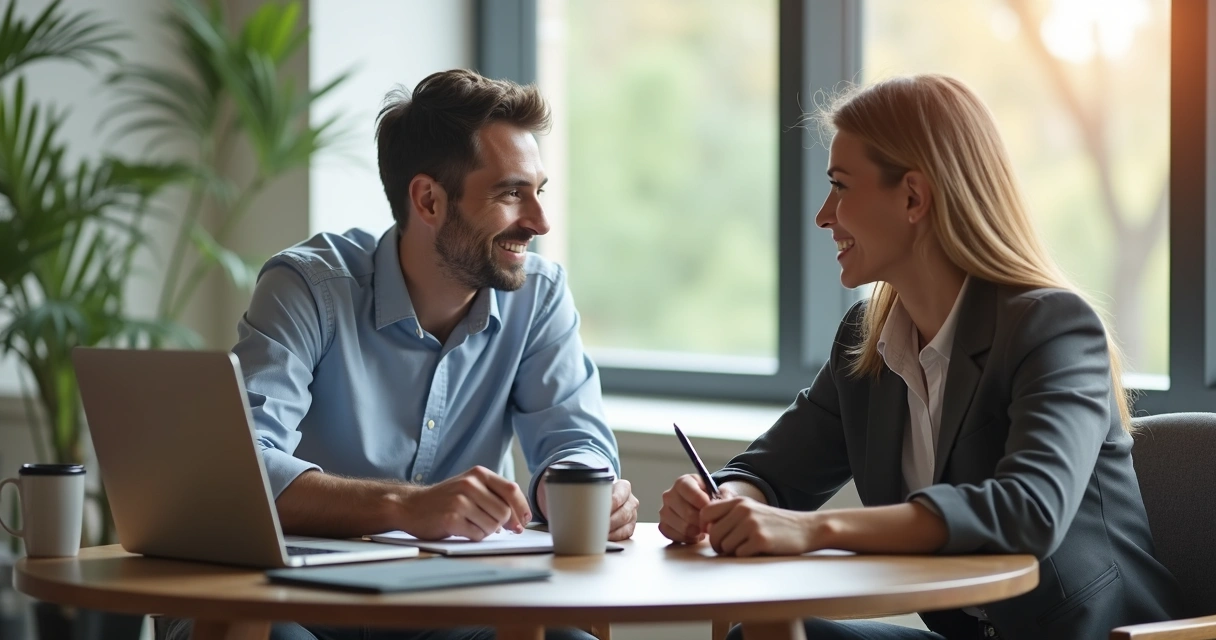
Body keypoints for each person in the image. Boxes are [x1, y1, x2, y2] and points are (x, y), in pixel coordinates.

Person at [657, 75, 1181, 640]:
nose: (823, 215)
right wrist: (725, 502)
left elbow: (1030, 511)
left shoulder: (1052, 328)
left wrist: (816, 530)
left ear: (912, 196)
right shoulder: (867, 340)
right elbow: (771, 472)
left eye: (840, 186)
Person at [165, 69, 638, 640]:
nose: (539, 221)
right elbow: (240, 467)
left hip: (452, 611)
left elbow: (573, 440)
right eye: (512, 193)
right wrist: (403, 506)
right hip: (296, 600)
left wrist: (578, 487)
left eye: (539, 191)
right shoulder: (310, 287)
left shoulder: (537, 296)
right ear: (429, 199)